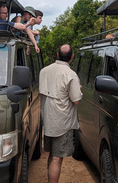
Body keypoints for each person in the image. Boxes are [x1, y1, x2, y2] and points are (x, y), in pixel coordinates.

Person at [39, 44, 83, 183]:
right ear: (72, 57)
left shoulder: (44, 71)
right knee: (57, 158)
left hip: (48, 119)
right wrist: (79, 89)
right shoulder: (70, 74)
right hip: (62, 123)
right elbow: (76, 100)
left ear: (57, 55)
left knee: (53, 155)